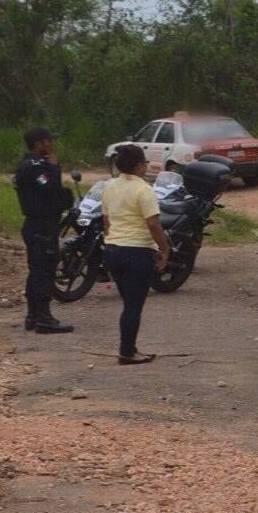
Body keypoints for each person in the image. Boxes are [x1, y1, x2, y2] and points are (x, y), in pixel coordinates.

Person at [101, 144, 170, 364]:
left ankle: (129, 348)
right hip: (137, 251)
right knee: (133, 306)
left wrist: (112, 239)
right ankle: (127, 352)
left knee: (128, 303)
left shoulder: (109, 186)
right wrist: (164, 248)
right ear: (140, 165)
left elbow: (106, 221)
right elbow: (153, 224)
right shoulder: (144, 189)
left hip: (113, 250)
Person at [13, 127, 74, 334]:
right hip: (40, 224)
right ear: (39, 144)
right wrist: (55, 169)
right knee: (44, 271)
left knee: (37, 270)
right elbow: (49, 188)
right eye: (48, 141)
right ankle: (43, 317)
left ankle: (33, 315)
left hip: (41, 224)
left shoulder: (34, 165)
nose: (52, 144)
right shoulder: (33, 167)